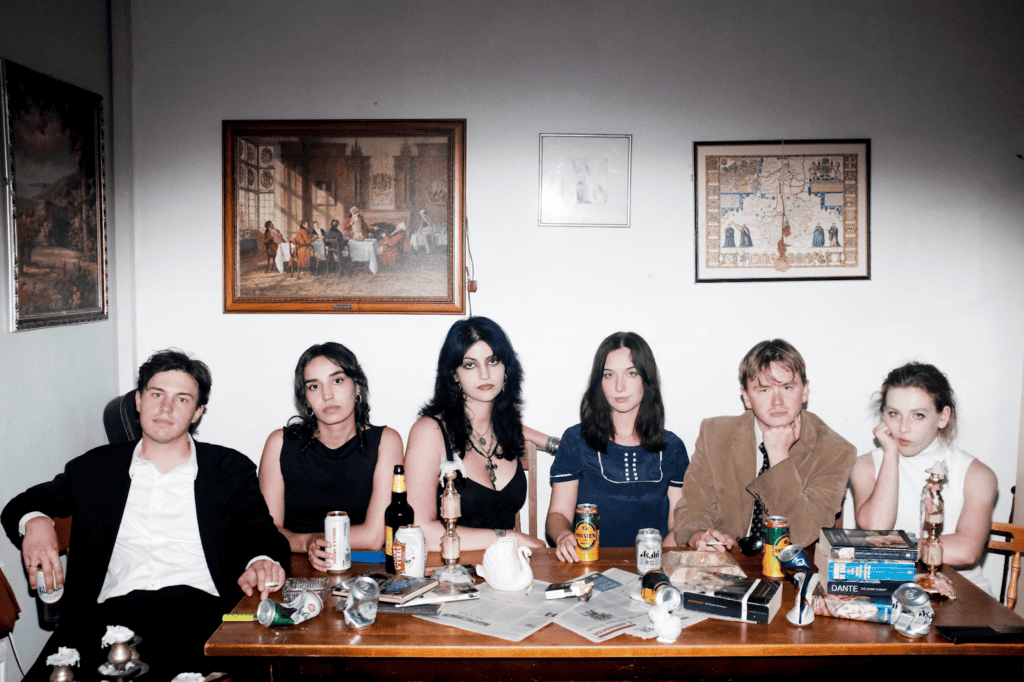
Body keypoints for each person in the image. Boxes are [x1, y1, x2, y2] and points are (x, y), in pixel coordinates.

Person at [1, 350, 289, 681]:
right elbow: (22, 504)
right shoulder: (97, 468)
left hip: (200, 614)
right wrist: (37, 522)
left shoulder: (228, 468)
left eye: (182, 399)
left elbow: (259, 528)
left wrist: (261, 560)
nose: (166, 408)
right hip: (109, 618)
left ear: (197, 412)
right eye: (157, 394)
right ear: (139, 400)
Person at [673, 339, 857, 551]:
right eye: (764, 390)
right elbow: (693, 510)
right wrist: (699, 537)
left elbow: (800, 535)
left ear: (805, 390)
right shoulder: (714, 434)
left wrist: (779, 457)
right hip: (726, 560)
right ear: (746, 396)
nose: (777, 402)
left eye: (787, 387)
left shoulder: (835, 451)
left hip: (792, 564)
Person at [404, 317, 552, 551]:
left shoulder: (505, 428)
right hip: (451, 566)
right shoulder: (429, 432)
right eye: (470, 365)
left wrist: (559, 445)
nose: (485, 374)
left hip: (506, 568)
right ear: (454, 374)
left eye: (493, 361)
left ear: (506, 368)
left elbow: (522, 432)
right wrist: (509, 537)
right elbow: (418, 530)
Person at [849, 362, 996, 594]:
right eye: (894, 414)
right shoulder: (865, 465)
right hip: (892, 590)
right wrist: (891, 455)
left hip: (962, 595)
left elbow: (967, 550)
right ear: (883, 415)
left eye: (918, 415)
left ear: (942, 417)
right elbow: (877, 529)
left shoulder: (977, 474)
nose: (903, 428)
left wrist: (890, 548)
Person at [258, 343, 403, 570]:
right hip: (294, 569)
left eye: (337, 381)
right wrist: (307, 542)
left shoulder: (386, 441)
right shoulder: (279, 443)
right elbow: (266, 529)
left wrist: (318, 540)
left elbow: (374, 537)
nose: (327, 395)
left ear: (357, 387)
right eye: (314, 386)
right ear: (305, 398)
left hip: (363, 571)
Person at [546, 332, 689, 562]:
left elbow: (678, 525)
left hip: (653, 567)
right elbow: (558, 514)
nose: (619, 386)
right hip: (590, 565)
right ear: (599, 382)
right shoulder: (575, 440)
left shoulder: (672, 447)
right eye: (609, 375)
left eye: (631, 373)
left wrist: (654, 565)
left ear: (646, 379)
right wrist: (563, 535)